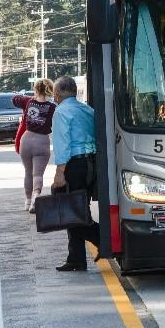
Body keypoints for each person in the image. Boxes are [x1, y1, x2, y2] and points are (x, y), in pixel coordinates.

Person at [50, 76, 99, 272]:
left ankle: (102, 238)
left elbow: (63, 144)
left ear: (59, 93)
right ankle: (76, 258)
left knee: (72, 213)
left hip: (75, 166)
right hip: (91, 164)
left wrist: (59, 173)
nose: (53, 96)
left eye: (54, 92)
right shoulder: (87, 109)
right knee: (78, 208)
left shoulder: (61, 112)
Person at [13, 80, 56, 213]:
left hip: (26, 140)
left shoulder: (28, 101)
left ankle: (27, 202)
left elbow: (14, 99)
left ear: (35, 89)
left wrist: (25, 96)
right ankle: (35, 197)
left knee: (28, 173)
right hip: (42, 141)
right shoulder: (53, 107)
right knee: (38, 174)